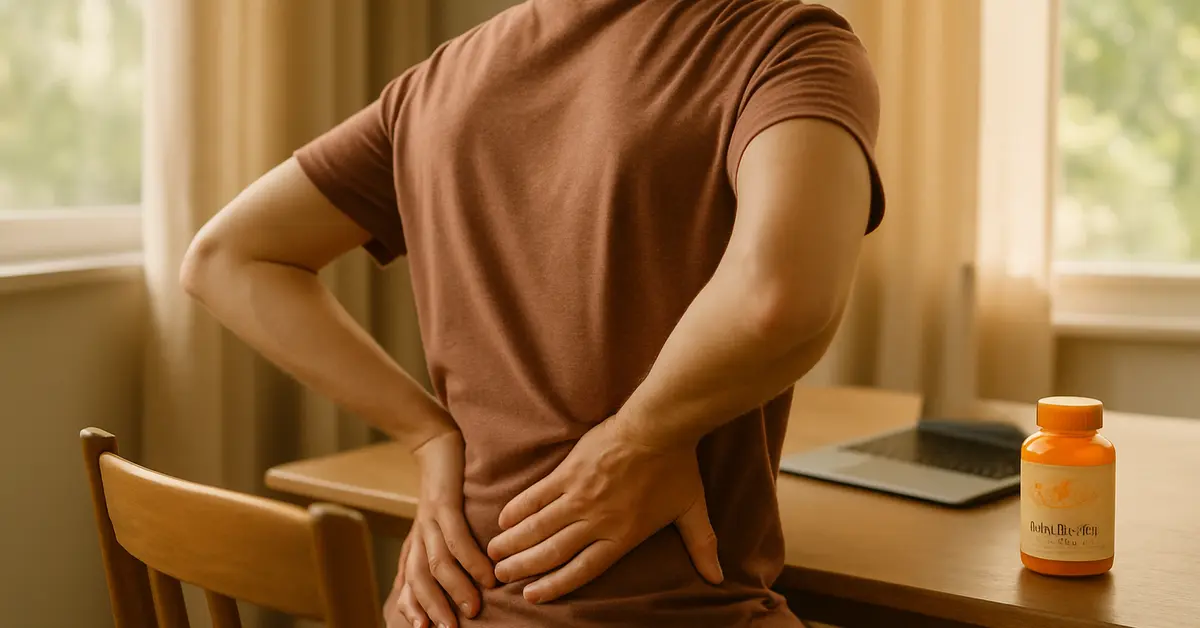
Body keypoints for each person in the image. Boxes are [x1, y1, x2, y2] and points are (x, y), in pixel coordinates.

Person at [180, 0, 884, 625]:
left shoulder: (438, 81)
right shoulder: (783, 42)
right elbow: (778, 299)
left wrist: (428, 437)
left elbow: (225, 257)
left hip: (443, 607)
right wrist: (642, 438)